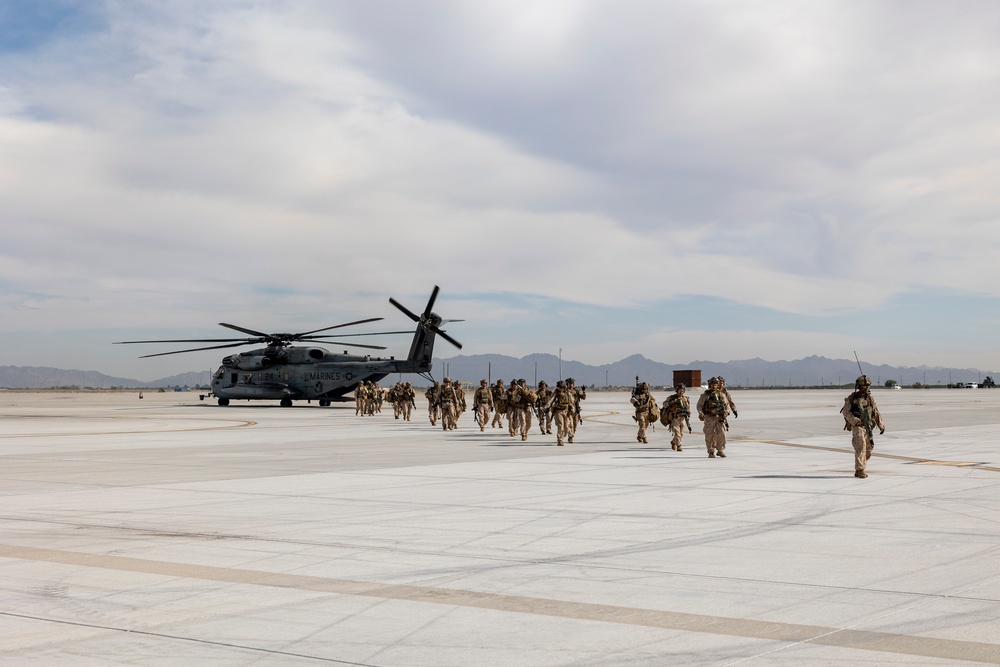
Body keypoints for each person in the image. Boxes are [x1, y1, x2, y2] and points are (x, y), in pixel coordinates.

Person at [841, 375, 885, 478]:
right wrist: (854, 420)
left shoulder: (870, 399)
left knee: (868, 450)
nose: (866, 388)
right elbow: (845, 411)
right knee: (860, 446)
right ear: (859, 386)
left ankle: (860, 466)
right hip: (858, 426)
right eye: (864, 386)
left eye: (868, 386)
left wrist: (881, 424)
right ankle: (860, 470)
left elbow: (876, 412)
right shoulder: (851, 398)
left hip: (868, 426)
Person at [697, 377, 730, 457]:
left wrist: (726, 412)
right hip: (709, 417)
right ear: (709, 385)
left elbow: (726, 405)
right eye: (712, 385)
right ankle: (711, 451)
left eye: (715, 385)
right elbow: (699, 405)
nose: (714, 386)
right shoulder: (705, 395)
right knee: (709, 435)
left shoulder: (721, 394)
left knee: (722, 434)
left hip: (719, 417)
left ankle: (720, 450)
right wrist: (700, 413)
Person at [662, 384, 692, 451]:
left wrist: (688, 414)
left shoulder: (685, 398)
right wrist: (672, 402)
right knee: (677, 433)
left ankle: (673, 442)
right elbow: (664, 404)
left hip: (683, 418)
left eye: (682, 390)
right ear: (677, 390)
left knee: (681, 433)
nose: (681, 392)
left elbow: (688, 408)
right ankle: (679, 446)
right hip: (675, 418)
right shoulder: (672, 398)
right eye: (680, 390)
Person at [546, 380, 575, 446]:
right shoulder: (556, 392)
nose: (559, 388)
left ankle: (563, 436)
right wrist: (546, 407)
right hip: (558, 411)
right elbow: (550, 400)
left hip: (567, 411)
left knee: (567, 427)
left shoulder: (568, 393)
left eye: (560, 387)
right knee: (560, 426)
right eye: (559, 387)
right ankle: (560, 440)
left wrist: (572, 409)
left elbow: (571, 402)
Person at [566, 378, 585, 443]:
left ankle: (571, 435)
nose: (571, 385)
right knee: (569, 425)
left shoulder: (576, 391)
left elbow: (583, 397)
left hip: (576, 410)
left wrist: (583, 391)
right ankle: (570, 437)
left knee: (575, 425)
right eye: (570, 383)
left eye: (572, 383)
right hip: (569, 411)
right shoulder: (565, 391)